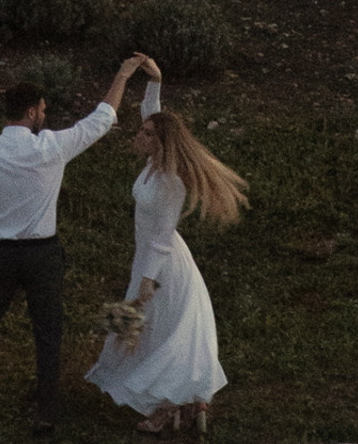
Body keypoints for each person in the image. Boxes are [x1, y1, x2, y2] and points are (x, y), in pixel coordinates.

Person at [0, 53, 153, 437]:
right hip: (42, 255)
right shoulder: (51, 147)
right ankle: (45, 414)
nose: (44, 114)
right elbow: (102, 118)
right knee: (48, 333)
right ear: (34, 112)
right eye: (42, 109)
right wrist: (122, 74)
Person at [85, 66, 243, 438]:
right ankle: (184, 400)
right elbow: (153, 114)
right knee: (151, 332)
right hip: (149, 259)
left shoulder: (171, 182)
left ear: (159, 142)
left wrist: (146, 281)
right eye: (142, 130)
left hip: (162, 265)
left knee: (157, 331)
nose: (138, 134)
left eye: (146, 133)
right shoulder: (155, 165)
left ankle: (167, 404)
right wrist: (154, 79)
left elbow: (161, 235)